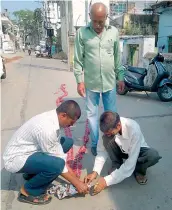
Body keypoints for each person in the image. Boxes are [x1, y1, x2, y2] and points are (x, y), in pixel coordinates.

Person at [3, 100, 89, 205]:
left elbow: (57, 152)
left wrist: (73, 176)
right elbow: (59, 163)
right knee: (57, 165)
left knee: (67, 142)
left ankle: (32, 173)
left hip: (30, 150)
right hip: (16, 159)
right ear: (63, 115)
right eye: (71, 122)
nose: (71, 125)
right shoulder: (47, 129)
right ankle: (28, 191)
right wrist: (77, 183)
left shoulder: (54, 117)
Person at [73, 2, 125, 156]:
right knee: (92, 115)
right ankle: (96, 143)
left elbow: (117, 57)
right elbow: (78, 60)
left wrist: (120, 77)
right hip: (91, 83)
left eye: (101, 21)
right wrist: (79, 81)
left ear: (106, 18)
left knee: (111, 115)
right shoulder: (82, 33)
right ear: (90, 17)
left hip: (109, 83)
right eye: (95, 21)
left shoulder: (113, 32)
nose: (97, 25)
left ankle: (112, 143)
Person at [84, 111, 162, 195]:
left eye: (110, 133)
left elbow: (130, 163)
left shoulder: (133, 128)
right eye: (106, 133)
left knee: (152, 155)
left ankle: (139, 170)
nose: (108, 134)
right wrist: (95, 172)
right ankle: (116, 163)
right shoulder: (104, 128)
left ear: (118, 125)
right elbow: (101, 150)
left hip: (136, 151)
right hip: (120, 148)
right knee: (106, 139)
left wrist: (106, 181)